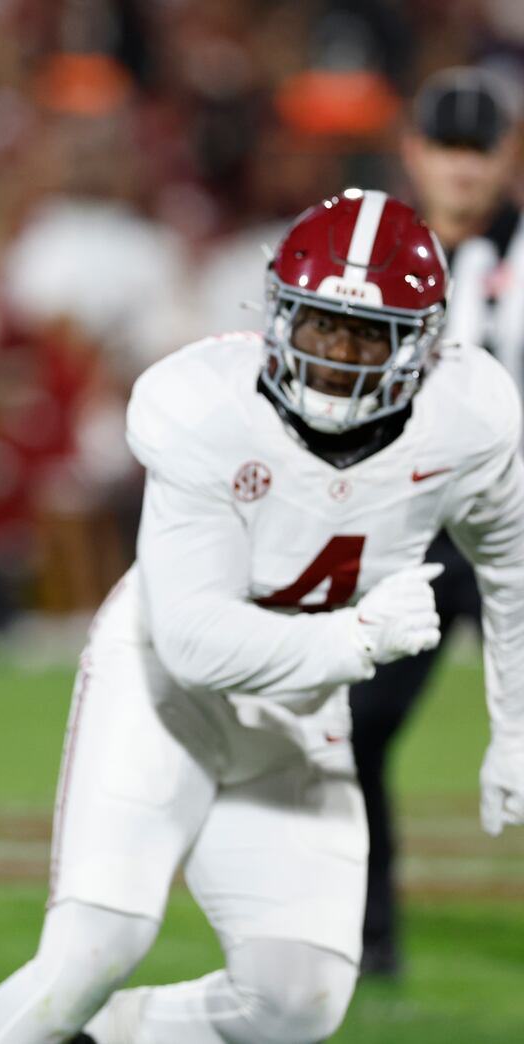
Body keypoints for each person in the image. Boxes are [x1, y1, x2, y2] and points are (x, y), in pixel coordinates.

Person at [0, 189, 524, 1044]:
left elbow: (512, 564)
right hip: (160, 691)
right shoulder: (201, 406)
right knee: (91, 949)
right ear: (277, 314)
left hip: (298, 709)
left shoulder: (470, 415)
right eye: (320, 323)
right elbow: (192, 642)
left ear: (423, 343)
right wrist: (359, 636)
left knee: (296, 1000)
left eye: (367, 333)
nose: (338, 354)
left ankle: (106, 1039)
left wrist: (514, 728)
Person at [348, 65, 523, 977]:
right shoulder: (371, 257)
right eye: (447, 149)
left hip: (516, 531)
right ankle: (365, 934)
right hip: (411, 531)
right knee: (353, 724)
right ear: (416, 153)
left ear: (507, 155)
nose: (461, 169)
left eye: (477, 149)